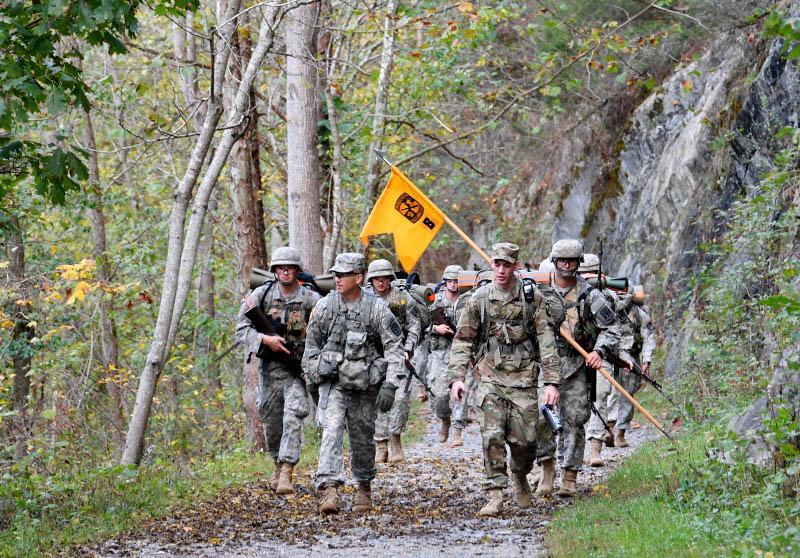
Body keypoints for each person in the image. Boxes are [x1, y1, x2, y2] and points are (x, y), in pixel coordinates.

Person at [448, 243, 562, 517]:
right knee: (492, 437)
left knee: (527, 441)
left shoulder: (531, 299)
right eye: (497, 264)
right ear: (491, 264)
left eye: (506, 265)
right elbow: (463, 340)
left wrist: (552, 382)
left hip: (524, 378)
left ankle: (520, 475)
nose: (501, 270)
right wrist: (457, 378)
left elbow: (546, 340)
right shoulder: (480, 298)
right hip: (491, 378)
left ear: (516, 266)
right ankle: (495, 494)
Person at [302, 253, 406, 515]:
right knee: (331, 431)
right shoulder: (325, 307)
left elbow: (394, 348)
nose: (337, 279)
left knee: (362, 440)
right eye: (335, 274)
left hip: (365, 386)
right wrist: (316, 375)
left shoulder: (377, 309)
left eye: (343, 275)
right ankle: (330, 489)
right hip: (335, 384)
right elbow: (310, 349)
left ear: (358, 278)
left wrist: (391, 385)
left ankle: (364, 487)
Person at [534, 239, 628, 497]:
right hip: (543, 366)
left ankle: (570, 476)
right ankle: (547, 468)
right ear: (554, 261)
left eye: (572, 261)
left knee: (574, 419)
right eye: (562, 260)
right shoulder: (538, 293)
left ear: (578, 263)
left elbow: (611, 329)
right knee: (541, 420)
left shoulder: (590, 295)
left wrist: (598, 351)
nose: (567, 265)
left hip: (576, 366)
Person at [235, 246, 320, 495]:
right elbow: (241, 330)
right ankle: (276, 463)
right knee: (272, 423)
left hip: (297, 369)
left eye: (290, 267)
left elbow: (325, 330)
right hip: (270, 370)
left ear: (296, 270)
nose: (285, 271)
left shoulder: (310, 299)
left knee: (294, 416)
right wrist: (264, 340)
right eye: (281, 267)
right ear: (274, 270)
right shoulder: (261, 296)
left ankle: (287, 471)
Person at [366, 259, 423, 464]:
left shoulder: (402, 296)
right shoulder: (365, 298)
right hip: (373, 357)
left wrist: (408, 349)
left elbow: (415, 325)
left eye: (384, 278)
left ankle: (396, 439)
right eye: (376, 278)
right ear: (371, 279)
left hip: (399, 354)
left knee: (400, 399)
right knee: (378, 399)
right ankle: (380, 444)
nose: (380, 282)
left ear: (390, 278)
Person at [580, 253, 629, 467]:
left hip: (602, 355)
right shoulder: (569, 293)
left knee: (600, 398)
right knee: (576, 402)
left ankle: (595, 448)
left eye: (590, 275)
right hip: (576, 356)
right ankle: (576, 448)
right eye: (583, 274)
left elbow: (616, 324)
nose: (586, 279)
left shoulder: (608, 296)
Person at [609, 294, 656, 447]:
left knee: (627, 393)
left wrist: (646, 359)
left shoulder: (639, 315)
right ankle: (607, 428)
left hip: (632, 356)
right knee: (607, 393)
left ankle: (620, 431)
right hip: (609, 355)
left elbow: (649, 337)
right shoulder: (608, 309)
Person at [428, 264, 464, 443]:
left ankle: (457, 429)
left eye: (456, 281)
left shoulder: (467, 300)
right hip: (440, 354)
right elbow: (420, 323)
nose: (453, 285)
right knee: (439, 395)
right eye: (450, 281)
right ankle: (445, 420)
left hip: (461, 352)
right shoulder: (435, 300)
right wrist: (436, 328)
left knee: (461, 392)